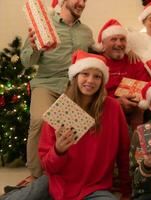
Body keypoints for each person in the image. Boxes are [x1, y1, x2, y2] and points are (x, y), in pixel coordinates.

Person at [1, 50, 131, 200]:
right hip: (58, 183)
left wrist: (126, 191)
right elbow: (48, 165)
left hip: (95, 188)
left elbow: (123, 152)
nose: (90, 80)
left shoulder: (113, 108)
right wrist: (58, 151)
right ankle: (16, 193)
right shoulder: (61, 110)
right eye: (85, 74)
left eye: (97, 76)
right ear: (75, 77)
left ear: (102, 81)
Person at [20, 0, 94, 184]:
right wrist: (35, 46)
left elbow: (95, 55)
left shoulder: (86, 32)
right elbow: (26, 62)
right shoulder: (43, 25)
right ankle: (37, 176)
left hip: (73, 88)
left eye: (85, 0)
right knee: (39, 118)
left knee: (77, 126)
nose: (82, 3)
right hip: (47, 83)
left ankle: (65, 172)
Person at [93, 18, 151, 130]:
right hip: (105, 113)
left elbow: (146, 88)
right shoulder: (96, 64)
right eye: (113, 39)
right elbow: (91, 96)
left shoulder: (135, 61)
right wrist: (116, 103)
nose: (119, 43)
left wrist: (138, 113)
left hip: (135, 111)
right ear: (103, 44)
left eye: (122, 39)